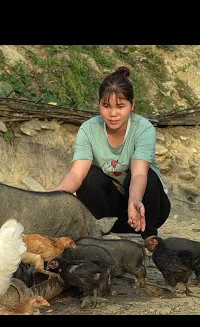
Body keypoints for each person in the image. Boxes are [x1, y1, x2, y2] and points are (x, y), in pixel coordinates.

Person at [52, 66, 171, 239]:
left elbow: (139, 174)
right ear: (99, 104)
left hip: (147, 209)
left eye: (120, 106)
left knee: (146, 175)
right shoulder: (89, 129)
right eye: (106, 106)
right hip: (114, 214)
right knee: (90, 176)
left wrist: (134, 201)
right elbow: (76, 174)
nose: (113, 113)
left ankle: (150, 238)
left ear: (132, 105)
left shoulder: (144, 129)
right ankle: (100, 232)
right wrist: (56, 194)